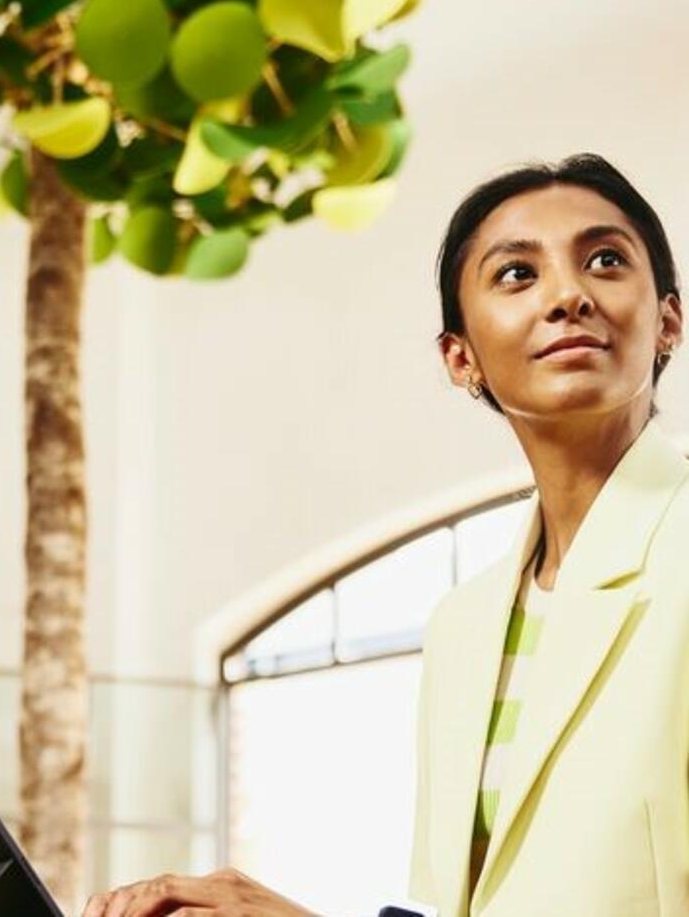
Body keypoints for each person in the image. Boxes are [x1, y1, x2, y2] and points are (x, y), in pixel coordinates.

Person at [79, 152, 688, 917]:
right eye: (515, 275)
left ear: (668, 319)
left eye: (604, 260)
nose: (567, 295)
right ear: (459, 358)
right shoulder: (463, 629)